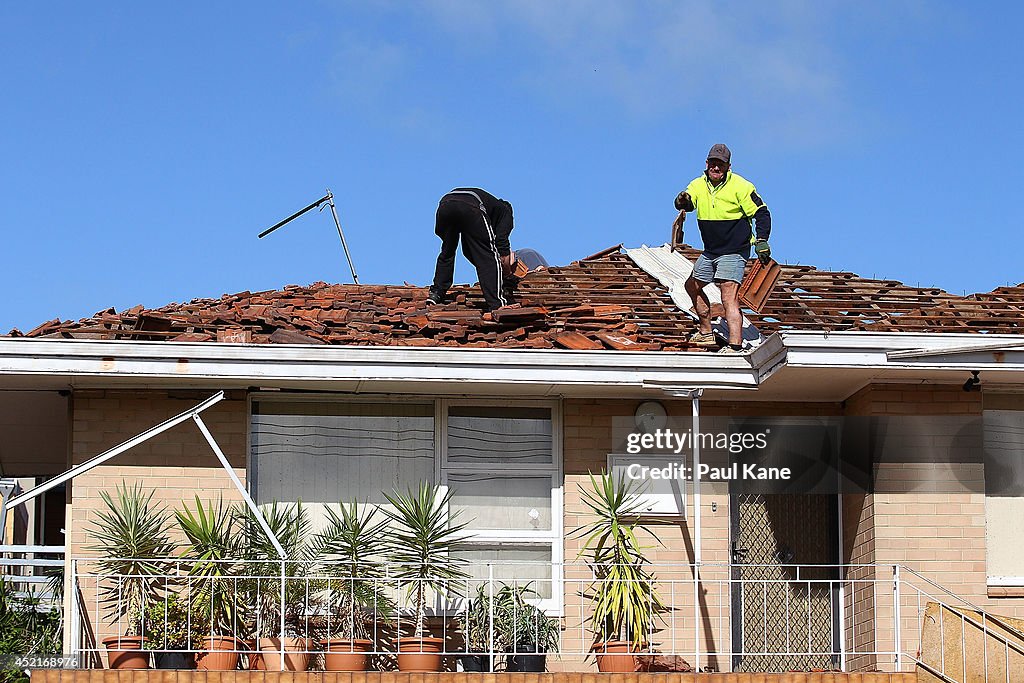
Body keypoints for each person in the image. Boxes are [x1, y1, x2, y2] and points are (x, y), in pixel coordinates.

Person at [673, 144, 772, 353]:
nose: (716, 168)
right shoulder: (698, 185)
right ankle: (706, 332)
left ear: (728, 166)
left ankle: (735, 345)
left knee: (728, 295)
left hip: (734, 251)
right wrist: (682, 200)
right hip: (711, 251)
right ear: (706, 164)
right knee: (692, 286)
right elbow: (686, 202)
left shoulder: (741, 186)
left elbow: (762, 213)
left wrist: (762, 240)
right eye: (713, 163)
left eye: (721, 164)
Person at [427, 187, 515, 312]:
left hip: (445, 205)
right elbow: (502, 247)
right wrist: (506, 274)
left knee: (448, 250)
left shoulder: (491, 204)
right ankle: (497, 304)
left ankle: (436, 293)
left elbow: (470, 250)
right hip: (470, 206)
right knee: (489, 256)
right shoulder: (506, 213)